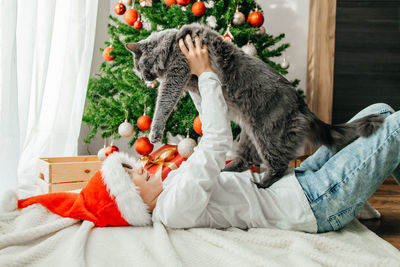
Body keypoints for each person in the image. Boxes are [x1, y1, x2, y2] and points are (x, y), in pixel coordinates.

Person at [15, 34, 399, 232]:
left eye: (131, 169)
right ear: (136, 207)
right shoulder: (174, 207)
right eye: (132, 180)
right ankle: (350, 203)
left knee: (378, 112)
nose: (140, 170)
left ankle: (359, 202)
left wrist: (196, 86)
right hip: (314, 204)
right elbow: (215, 143)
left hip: (297, 182)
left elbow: (205, 141)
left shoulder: (173, 184)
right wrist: (206, 73)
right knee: (394, 127)